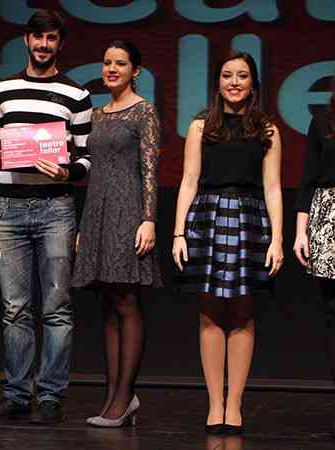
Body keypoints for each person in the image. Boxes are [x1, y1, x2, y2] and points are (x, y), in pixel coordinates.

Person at [0, 9, 93, 424]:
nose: (44, 45)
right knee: (15, 308)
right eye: (38, 37)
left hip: (56, 208)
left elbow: (87, 158)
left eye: (52, 38)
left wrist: (65, 171)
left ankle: (49, 398)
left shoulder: (77, 94)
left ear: (60, 43)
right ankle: (16, 396)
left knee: (57, 308)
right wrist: (11, 155)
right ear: (26, 40)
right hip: (9, 209)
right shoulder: (2, 90)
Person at [172, 51, 283, 435]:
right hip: (207, 216)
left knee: (243, 313)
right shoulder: (201, 126)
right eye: (227, 75)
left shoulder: (266, 129)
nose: (234, 82)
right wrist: (179, 232)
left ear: (253, 83)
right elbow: (189, 181)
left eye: (242, 76)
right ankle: (214, 404)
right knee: (209, 313)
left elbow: (272, 187)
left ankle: (234, 404)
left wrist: (277, 238)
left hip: (250, 219)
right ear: (217, 82)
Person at [72, 40, 162, 428]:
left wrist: (149, 219)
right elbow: (91, 169)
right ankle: (113, 396)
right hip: (97, 213)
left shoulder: (144, 111)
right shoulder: (96, 114)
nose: (111, 69)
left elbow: (150, 169)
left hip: (128, 212)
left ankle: (125, 397)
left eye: (120, 63)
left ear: (135, 71)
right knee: (107, 305)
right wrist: (83, 226)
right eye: (107, 62)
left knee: (127, 301)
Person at [293, 72, 335, 437]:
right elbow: (308, 179)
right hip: (328, 218)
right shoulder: (322, 121)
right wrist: (299, 231)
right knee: (333, 314)